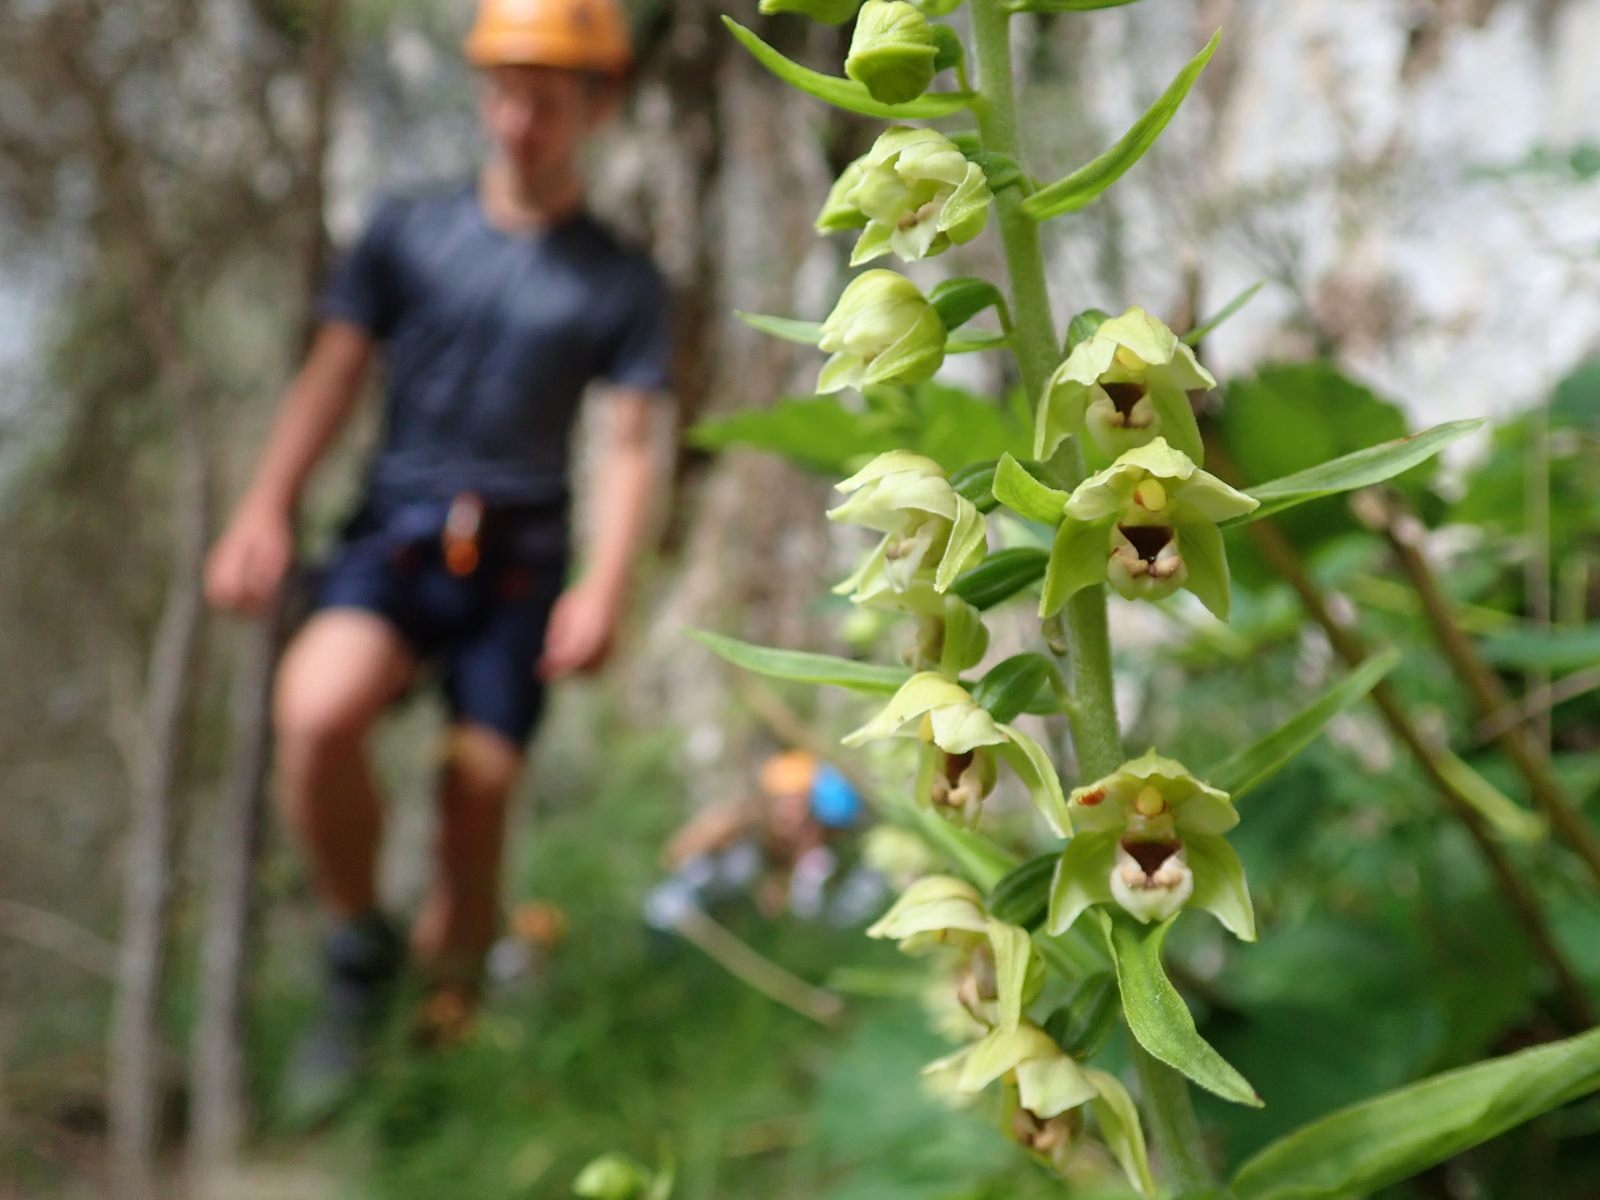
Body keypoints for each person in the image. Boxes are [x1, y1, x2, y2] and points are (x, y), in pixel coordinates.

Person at [203, 0, 672, 1113]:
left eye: (547, 102)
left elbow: (629, 442)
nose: (517, 120)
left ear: (597, 107)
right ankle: (359, 944)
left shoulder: (619, 281)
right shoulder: (406, 233)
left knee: (478, 799)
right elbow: (332, 373)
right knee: (315, 714)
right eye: (503, 94)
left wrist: (606, 586)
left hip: (520, 565)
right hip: (396, 536)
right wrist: (263, 506)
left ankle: (437, 1067)